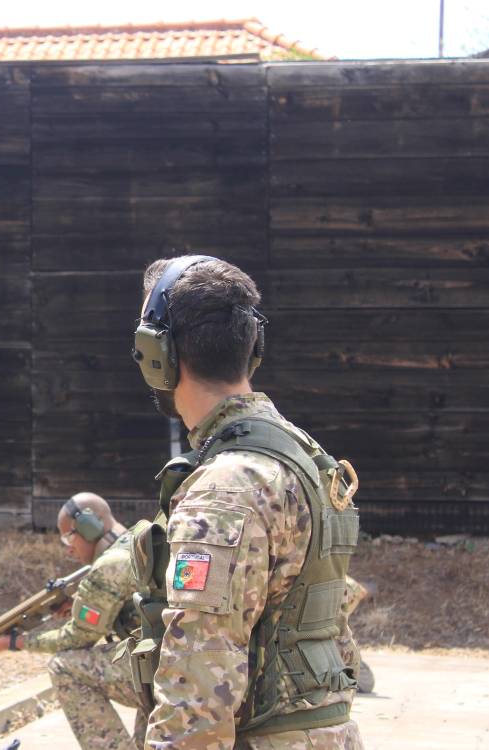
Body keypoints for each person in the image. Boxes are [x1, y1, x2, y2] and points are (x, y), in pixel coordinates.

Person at [125, 255, 363, 748]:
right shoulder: (304, 455)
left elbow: (198, 696)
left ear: (156, 354)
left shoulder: (224, 489)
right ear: (252, 347)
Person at [0, 492, 148, 750]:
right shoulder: (138, 539)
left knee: (64, 667)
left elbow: (76, 638)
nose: (68, 547)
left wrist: (14, 642)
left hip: (158, 669)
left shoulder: (108, 566)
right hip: (179, 662)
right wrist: (82, 602)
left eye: (69, 536)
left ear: (90, 527)